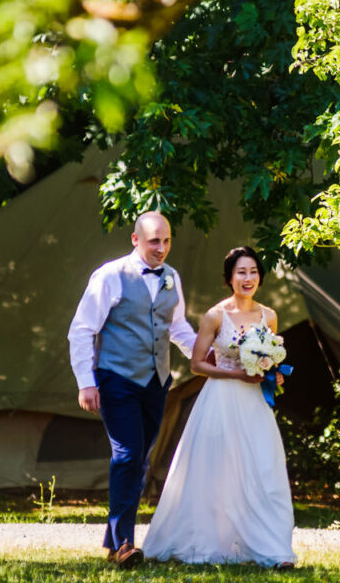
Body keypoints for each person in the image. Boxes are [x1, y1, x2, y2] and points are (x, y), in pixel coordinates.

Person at [142, 246, 296, 568]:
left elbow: (268, 359)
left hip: (254, 404)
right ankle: (211, 541)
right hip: (221, 401)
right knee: (216, 470)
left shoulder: (269, 315)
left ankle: (272, 549)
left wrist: (272, 374)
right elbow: (198, 364)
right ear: (229, 278)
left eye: (253, 272)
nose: (248, 278)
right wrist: (236, 372)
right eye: (241, 272)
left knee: (264, 469)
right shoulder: (215, 316)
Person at [67, 211, 197, 568]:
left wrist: (214, 355)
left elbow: (179, 328)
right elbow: (81, 330)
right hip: (116, 379)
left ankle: (113, 540)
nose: (162, 248)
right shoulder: (110, 275)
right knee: (126, 455)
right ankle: (124, 543)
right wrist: (86, 382)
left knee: (139, 459)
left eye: (167, 240)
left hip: (156, 382)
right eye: (154, 240)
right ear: (135, 239)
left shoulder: (172, 278)